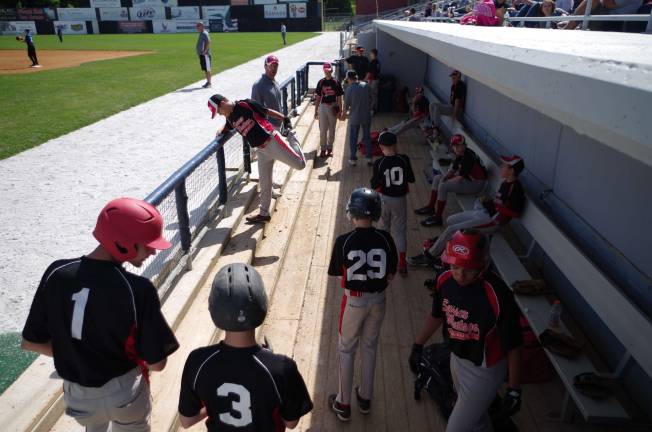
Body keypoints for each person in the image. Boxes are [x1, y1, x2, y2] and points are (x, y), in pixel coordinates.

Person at [21, 197, 179, 431]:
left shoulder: (56, 272)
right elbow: (157, 364)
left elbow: (29, 342)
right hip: (124, 395)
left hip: (78, 397)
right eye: (147, 244)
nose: (153, 252)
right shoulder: (137, 288)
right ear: (123, 244)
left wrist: (76, 356)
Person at [409, 230, 523, 432]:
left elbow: (514, 345)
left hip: (485, 369)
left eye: (469, 269)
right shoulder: (444, 280)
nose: (460, 274)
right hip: (456, 357)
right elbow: (437, 315)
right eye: (455, 266)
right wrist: (418, 344)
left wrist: (514, 388)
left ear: (483, 265)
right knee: (476, 420)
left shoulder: (498, 294)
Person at [178, 263, 313, 430]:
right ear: (262, 305)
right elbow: (291, 423)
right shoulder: (282, 368)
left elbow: (186, 420)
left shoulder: (197, 361)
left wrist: (219, 403)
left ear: (213, 309)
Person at [327, 188, 398, 422]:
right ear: (376, 213)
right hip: (379, 300)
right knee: (369, 347)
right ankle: (365, 398)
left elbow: (340, 277)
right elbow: (390, 276)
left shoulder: (343, 241)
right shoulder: (386, 239)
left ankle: (343, 403)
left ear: (351, 211)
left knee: (346, 349)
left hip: (354, 300)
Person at [409, 156, 526, 268]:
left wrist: (498, 208)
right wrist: (489, 201)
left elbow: (516, 213)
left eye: (505, 166)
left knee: (452, 229)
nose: (501, 167)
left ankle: (430, 256)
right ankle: (442, 245)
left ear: (512, 170)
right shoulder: (506, 183)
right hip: (484, 212)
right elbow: (499, 202)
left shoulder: (515, 188)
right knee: (451, 220)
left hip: (493, 221)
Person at [208, 94, 306, 224]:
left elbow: (267, 111)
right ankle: (264, 213)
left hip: (272, 141)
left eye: (218, 110)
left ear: (223, 103)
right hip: (261, 150)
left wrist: (284, 118)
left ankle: (292, 136)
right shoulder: (230, 118)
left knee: (300, 165)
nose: (220, 114)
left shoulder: (244, 104)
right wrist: (219, 131)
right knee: (265, 183)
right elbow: (226, 127)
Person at [414, 134, 487, 227]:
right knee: (437, 178)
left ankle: (437, 218)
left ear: (464, 145)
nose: (458, 148)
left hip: (476, 184)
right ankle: (431, 207)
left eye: (460, 145)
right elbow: (453, 170)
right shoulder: (461, 154)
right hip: (468, 180)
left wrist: (445, 182)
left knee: (443, 186)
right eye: (455, 146)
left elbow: (460, 178)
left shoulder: (468, 156)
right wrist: (444, 178)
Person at [370, 131, 415, 276]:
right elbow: (412, 179)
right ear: (395, 145)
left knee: (383, 228)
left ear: (381, 146)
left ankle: (384, 261)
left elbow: (374, 184)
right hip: (400, 200)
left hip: (384, 198)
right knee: (400, 231)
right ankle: (402, 263)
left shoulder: (379, 162)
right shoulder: (404, 159)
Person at [342, 70, 373, 166]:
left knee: (353, 138)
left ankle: (353, 159)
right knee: (367, 137)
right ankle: (369, 158)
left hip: (355, 117)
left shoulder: (349, 89)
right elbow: (372, 99)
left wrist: (343, 114)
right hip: (366, 116)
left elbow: (346, 106)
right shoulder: (366, 85)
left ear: (348, 78)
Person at [315, 62, 344, 158]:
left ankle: (330, 148)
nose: (327, 72)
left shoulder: (336, 82)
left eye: (328, 70)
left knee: (332, 129)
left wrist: (340, 110)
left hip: (333, 106)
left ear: (331, 70)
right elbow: (318, 97)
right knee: (323, 129)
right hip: (323, 107)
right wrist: (316, 110)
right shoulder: (321, 82)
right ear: (323, 70)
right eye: (325, 70)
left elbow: (339, 97)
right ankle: (323, 149)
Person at [431, 70, 466, 137]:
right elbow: (451, 99)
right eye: (452, 78)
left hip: (457, 109)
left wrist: (454, 114)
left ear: (458, 77)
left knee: (437, 107)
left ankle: (435, 131)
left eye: (454, 78)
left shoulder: (460, 86)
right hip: (451, 107)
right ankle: (434, 126)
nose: (452, 79)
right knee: (432, 105)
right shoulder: (453, 86)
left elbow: (457, 102)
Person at [561, 0, 641, 29]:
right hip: (608, 17)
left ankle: (569, 27)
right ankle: (572, 24)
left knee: (593, 1)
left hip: (615, 23)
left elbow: (608, 4)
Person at [364, 48, 381, 114]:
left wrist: (364, 80)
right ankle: (375, 109)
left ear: (373, 54)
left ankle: (371, 110)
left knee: (371, 96)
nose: (370, 55)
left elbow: (369, 73)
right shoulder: (378, 62)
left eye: (370, 53)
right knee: (375, 96)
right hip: (377, 80)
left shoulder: (372, 63)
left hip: (372, 81)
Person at [196, 21, 212, 88]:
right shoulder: (201, 33)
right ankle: (208, 82)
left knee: (207, 69)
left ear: (202, 26)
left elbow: (208, 42)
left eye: (198, 26)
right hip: (202, 55)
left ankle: (209, 83)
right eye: (197, 26)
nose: (197, 28)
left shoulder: (204, 33)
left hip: (205, 55)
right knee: (205, 69)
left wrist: (205, 51)